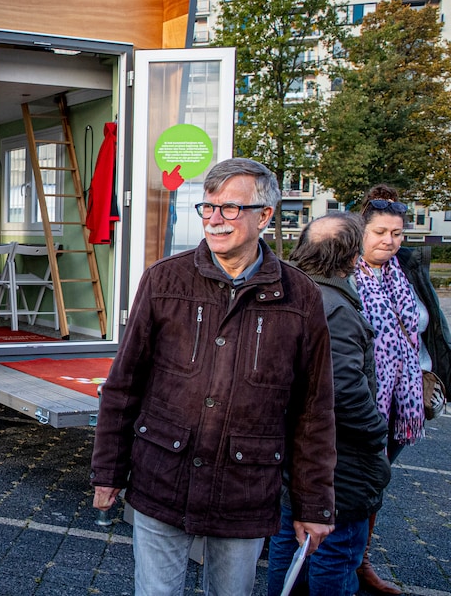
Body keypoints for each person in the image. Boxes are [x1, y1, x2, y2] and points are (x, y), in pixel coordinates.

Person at [90, 157, 337, 595]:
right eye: (208, 207)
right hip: (162, 474)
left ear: (265, 216)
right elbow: (124, 385)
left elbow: (314, 410)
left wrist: (314, 504)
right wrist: (108, 472)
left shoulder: (300, 297)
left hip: (244, 488)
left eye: (230, 208)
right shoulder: (165, 280)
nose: (216, 219)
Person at [266, 213, 390, 595]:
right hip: (337, 461)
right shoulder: (333, 307)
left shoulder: (288, 294)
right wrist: (377, 431)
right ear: (353, 259)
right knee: (333, 556)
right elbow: (344, 392)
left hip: (294, 454)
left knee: (288, 546)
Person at [351, 184, 451, 594]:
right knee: (354, 483)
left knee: (377, 483)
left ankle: (360, 561)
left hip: (405, 401)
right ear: (360, 232)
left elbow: (432, 329)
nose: (389, 241)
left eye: (396, 233)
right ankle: (339, 560)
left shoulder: (406, 270)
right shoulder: (344, 272)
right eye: (380, 232)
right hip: (362, 400)